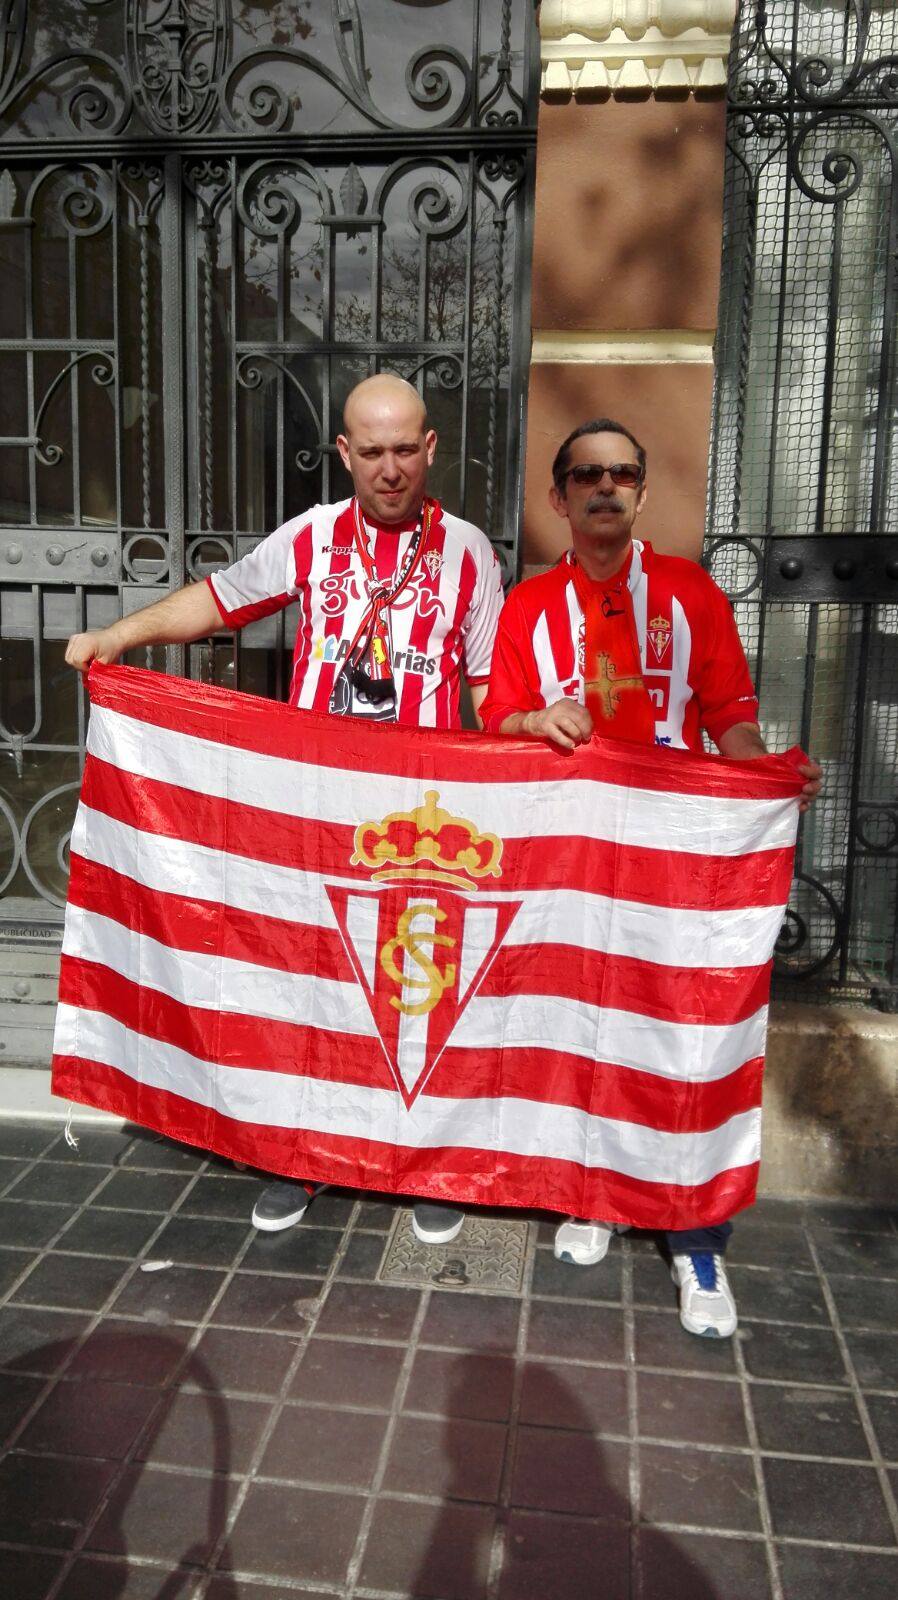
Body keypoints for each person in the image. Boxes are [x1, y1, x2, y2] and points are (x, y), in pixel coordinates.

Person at [65, 373, 504, 1247]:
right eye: (370, 452)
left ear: (431, 448)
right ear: (344, 453)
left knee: (416, 988)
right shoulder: (308, 538)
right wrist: (120, 636)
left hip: (420, 823)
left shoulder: (469, 554)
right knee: (312, 985)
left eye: (403, 450)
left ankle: (424, 1162)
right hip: (313, 813)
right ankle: (302, 1155)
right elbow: (220, 598)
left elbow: (490, 691)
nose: (389, 469)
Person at [481, 416, 821, 1338]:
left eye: (623, 472)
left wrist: (762, 782)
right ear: (558, 497)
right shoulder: (524, 609)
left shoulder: (691, 594)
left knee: (683, 1031)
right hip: (572, 858)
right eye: (585, 473)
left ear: (641, 491)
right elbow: (496, 719)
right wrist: (528, 724)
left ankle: (695, 1234)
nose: (605, 487)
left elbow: (731, 718)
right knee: (579, 1018)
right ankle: (591, 1192)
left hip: (674, 858)